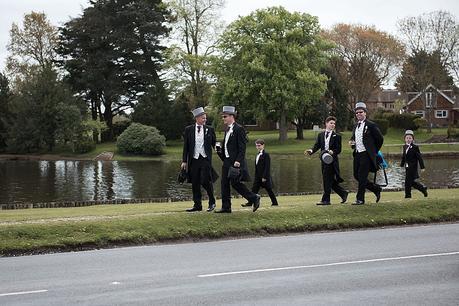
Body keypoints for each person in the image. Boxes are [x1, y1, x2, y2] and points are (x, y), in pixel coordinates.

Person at [215, 106, 261, 213]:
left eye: (225, 116)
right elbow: (228, 146)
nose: (223, 118)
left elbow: (242, 147)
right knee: (224, 184)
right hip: (227, 161)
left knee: (235, 183)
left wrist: (238, 161)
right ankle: (226, 207)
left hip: (235, 162)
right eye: (223, 117)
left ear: (232, 116)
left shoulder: (239, 129)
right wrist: (219, 151)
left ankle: (254, 197)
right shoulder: (227, 130)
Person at [181, 107, 218, 212]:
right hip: (193, 159)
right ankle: (197, 205)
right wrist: (184, 161)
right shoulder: (189, 129)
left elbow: (215, 143)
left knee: (206, 180)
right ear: (197, 118)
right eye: (203, 118)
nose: (205, 120)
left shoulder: (210, 129)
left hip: (205, 159)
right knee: (195, 182)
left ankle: (212, 202)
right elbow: (186, 146)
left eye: (205, 118)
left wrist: (220, 150)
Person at [306, 116, 348, 205]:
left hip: (332, 161)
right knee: (330, 181)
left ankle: (326, 200)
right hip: (323, 161)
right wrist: (311, 151)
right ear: (326, 124)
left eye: (334, 123)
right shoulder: (320, 135)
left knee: (326, 180)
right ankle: (343, 193)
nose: (333, 125)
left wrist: (333, 151)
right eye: (331, 123)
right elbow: (317, 146)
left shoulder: (337, 136)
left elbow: (339, 149)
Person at [349, 102, 384, 205]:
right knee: (356, 175)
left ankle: (360, 199)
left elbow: (380, 139)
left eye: (361, 112)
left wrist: (373, 151)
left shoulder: (371, 125)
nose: (359, 114)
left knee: (362, 176)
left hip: (366, 155)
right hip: (357, 154)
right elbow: (353, 138)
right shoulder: (355, 126)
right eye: (357, 113)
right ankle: (376, 188)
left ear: (365, 113)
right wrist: (352, 143)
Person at [241, 139, 278, 208]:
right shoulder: (257, 155)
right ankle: (250, 203)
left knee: (269, 190)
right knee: (253, 190)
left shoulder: (266, 155)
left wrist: (264, 177)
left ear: (263, 145)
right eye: (257, 146)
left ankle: (275, 203)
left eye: (259, 145)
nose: (258, 147)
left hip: (264, 177)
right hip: (257, 177)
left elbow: (267, 167)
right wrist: (256, 176)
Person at [400, 130, 428, 198]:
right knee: (411, 182)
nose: (408, 139)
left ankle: (408, 196)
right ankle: (422, 188)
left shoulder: (415, 147)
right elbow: (404, 157)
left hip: (412, 167)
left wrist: (422, 167)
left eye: (410, 138)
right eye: (407, 138)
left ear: (412, 139)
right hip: (407, 167)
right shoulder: (404, 147)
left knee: (407, 182)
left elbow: (419, 157)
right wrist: (401, 165)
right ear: (405, 139)